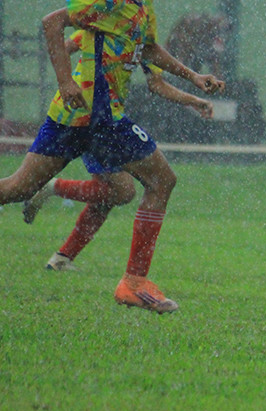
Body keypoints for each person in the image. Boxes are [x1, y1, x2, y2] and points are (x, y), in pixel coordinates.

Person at [0, 0, 223, 313]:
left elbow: (151, 50)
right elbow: (53, 23)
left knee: (134, 187)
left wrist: (193, 79)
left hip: (90, 118)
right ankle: (132, 283)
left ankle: (127, 280)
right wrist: (66, 80)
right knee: (20, 187)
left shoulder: (141, 8)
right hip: (93, 116)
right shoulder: (108, 2)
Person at [22, 40, 215, 272]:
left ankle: (62, 257)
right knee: (126, 190)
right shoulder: (108, 12)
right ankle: (51, 189)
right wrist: (69, 82)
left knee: (113, 192)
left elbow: (156, 83)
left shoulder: (140, 23)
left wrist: (194, 100)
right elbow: (60, 45)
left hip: (103, 119)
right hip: (91, 118)